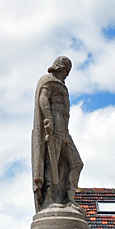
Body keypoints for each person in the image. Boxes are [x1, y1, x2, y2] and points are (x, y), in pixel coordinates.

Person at [32, 56, 83, 211]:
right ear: (60, 68)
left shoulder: (62, 85)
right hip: (54, 124)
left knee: (77, 163)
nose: (67, 74)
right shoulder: (48, 80)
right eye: (66, 71)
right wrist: (48, 118)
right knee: (51, 163)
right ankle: (49, 199)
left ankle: (69, 198)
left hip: (64, 128)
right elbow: (43, 98)